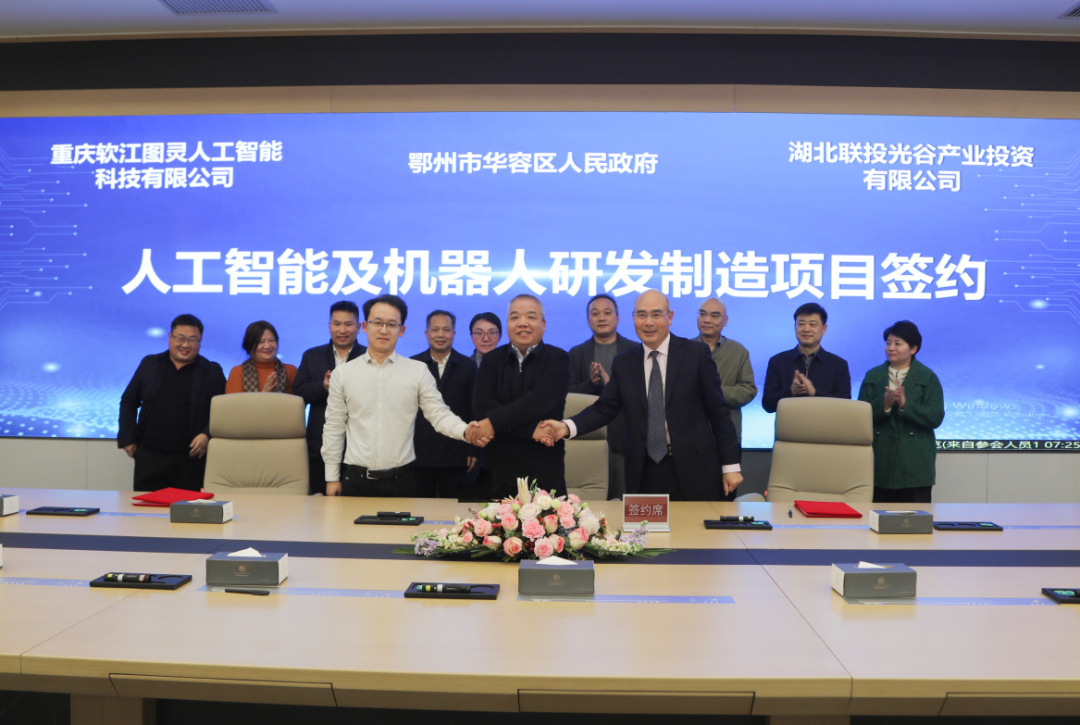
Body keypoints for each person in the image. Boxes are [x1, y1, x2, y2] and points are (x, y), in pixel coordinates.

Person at [535, 290, 743, 502]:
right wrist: (565, 426)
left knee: (693, 524)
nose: (648, 322)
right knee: (646, 524)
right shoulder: (624, 362)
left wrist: (731, 465)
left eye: (656, 314)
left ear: (670, 317)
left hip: (695, 468)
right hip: (644, 470)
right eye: (642, 315)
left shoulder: (695, 354)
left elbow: (719, 412)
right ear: (633, 318)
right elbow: (604, 408)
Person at [322, 295, 487, 497]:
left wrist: (465, 430)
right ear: (365, 326)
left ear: (402, 330)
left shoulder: (417, 371)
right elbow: (334, 427)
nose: (384, 330)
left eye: (392, 324)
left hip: (401, 482)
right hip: (355, 480)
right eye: (377, 323)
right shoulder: (343, 374)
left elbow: (439, 414)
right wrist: (331, 477)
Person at [473, 294, 569, 499]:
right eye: (515, 317)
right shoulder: (491, 360)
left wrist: (493, 422)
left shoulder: (558, 358)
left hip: (545, 472)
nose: (522, 323)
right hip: (497, 472)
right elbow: (482, 406)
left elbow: (540, 401)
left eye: (531, 317)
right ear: (507, 324)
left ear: (543, 324)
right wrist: (531, 430)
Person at [118, 314, 226, 492]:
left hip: (191, 459)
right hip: (150, 456)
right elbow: (129, 401)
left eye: (192, 340)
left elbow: (222, 412)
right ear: (170, 337)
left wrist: (206, 434)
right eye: (180, 338)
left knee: (188, 508)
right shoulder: (150, 364)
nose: (185, 345)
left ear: (200, 341)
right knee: (148, 507)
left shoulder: (212, 371)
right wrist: (127, 438)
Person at [858, 321, 944, 504]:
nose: (891, 348)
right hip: (878, 462)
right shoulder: (872, 376)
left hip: (915, 465)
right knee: (877, 518)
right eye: (888, 343)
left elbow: (936, 416)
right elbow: (859, 417)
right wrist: (884, 404)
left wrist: (906, 405)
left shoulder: (928, 377)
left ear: (913, 349)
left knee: (915, 519)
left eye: (898, 343)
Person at [292, 301, 368, 495]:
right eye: (336, 324)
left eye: (348, 324)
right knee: (321, 506)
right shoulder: (312, 356)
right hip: (320, 447)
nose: (342, 330)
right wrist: (323, 386)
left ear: (359, 327)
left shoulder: (369, 357)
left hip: (360, 450)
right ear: (329, 326)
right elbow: (298, 392)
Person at [567, 293, 637, 498]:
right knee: (592, 498)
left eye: (607, 312)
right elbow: (568, 395)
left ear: (618, 317)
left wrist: (612, 387)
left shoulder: (634, 350)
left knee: (623, 495)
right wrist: (591, 384)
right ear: (588, 319)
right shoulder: (576, 353)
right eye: (595, 313)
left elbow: (642, 394)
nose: (602, 318)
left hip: (625, 435)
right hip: (588, 436)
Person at [411, 309, 478, 499]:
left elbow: (473, 410)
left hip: (456, 454)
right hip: (419, 454)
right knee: (420, 509)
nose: (440, 334)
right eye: (435, 329)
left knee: (452, 510)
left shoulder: (468, 366)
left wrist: (473, 449)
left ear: (454, 333)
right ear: (427, 333)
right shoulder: (413, 365)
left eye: (446, 330)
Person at [762, 302, 851, 414]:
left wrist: (815, 393)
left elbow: (845, 407)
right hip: (789, 425)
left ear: (824, 329)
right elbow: (767, 405)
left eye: (813, 324)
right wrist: (790, 391)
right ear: (795, 327)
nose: (806, 329)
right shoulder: (778, 361)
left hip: (825, 424)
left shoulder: (838, 365)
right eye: (801, 324)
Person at [694, 298, 757, 443]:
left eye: (714, 316)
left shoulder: (738, 351)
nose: (707, 320)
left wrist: (713, 393)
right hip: (691, 435)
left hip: (727, 436)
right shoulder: (684, 350)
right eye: (702, 314)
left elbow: (748, 390)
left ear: (725, 321)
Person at [225, 321, 298, 395]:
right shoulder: (238, 372)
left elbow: (297, 401)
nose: (267, 346)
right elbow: (234, 402)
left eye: (272, 340)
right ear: (250, 345)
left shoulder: (290, 370)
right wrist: (264, 395)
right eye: (261, 342)